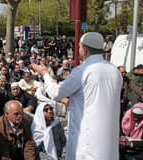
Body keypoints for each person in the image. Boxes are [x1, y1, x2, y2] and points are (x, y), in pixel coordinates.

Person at [33, 32, 123, 160]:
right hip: (108, 140)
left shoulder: (83, 71)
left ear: (85, 50)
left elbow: (56, 93)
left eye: (79, 47)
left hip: (86, 141)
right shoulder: (115, 71)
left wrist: (45, 74)